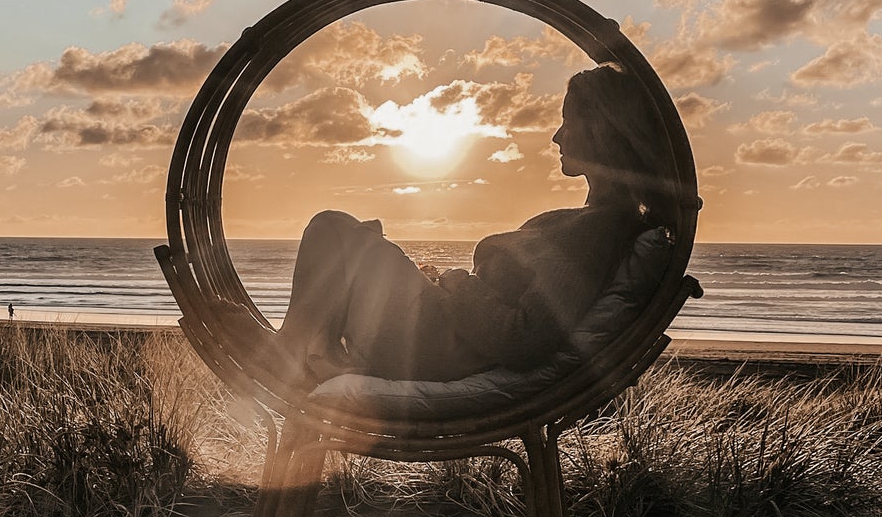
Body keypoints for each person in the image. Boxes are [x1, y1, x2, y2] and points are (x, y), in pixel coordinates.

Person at [269, 63, 671, 389]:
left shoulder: (597, 230)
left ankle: (291, 353)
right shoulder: (595, 222)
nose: (556, 136)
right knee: (362, 234)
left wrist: (456, 281)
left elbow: (523, 338)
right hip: (445, 332)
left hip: (440, 345)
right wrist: (438, 282)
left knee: (332, 228)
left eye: (568, 121)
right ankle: (321, 354)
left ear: (602, 131)